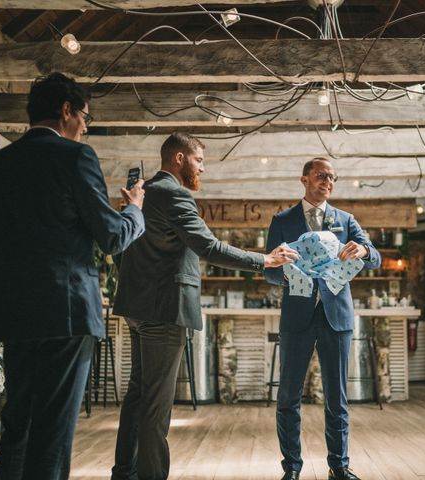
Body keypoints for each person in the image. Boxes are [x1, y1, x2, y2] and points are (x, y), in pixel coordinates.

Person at [111, 132, 297, 480]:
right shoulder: (173, 194)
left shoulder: (142, 193)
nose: (203, 168)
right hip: (165, 310)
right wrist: (264, 260)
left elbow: (122, 250)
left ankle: (123, 473)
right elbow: (209, 247)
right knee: (156, 407)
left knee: (138, 398)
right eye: (199, 160)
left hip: (138, 309)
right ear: (178, 158)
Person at [0, 72, 145, 479]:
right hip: (66, 311)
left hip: (13, 313)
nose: (86, 126)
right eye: (86, 117)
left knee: (18, 424)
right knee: (53, 430)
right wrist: (134, 211)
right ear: (66, 111)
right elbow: (111, 237)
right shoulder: (77, 156)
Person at [265, 157, 381, 480]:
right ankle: (291, 469)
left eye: (332, 177)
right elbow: (269, 271)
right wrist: (287, 275)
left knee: (337, 397)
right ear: (304, 180)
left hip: (336, 317)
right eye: (321, 176)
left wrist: (363, 251)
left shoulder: (345, 220)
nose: (327, 182)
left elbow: (375, 257)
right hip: (297, 317)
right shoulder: (282, 220)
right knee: (288, 396)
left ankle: (339, 467)